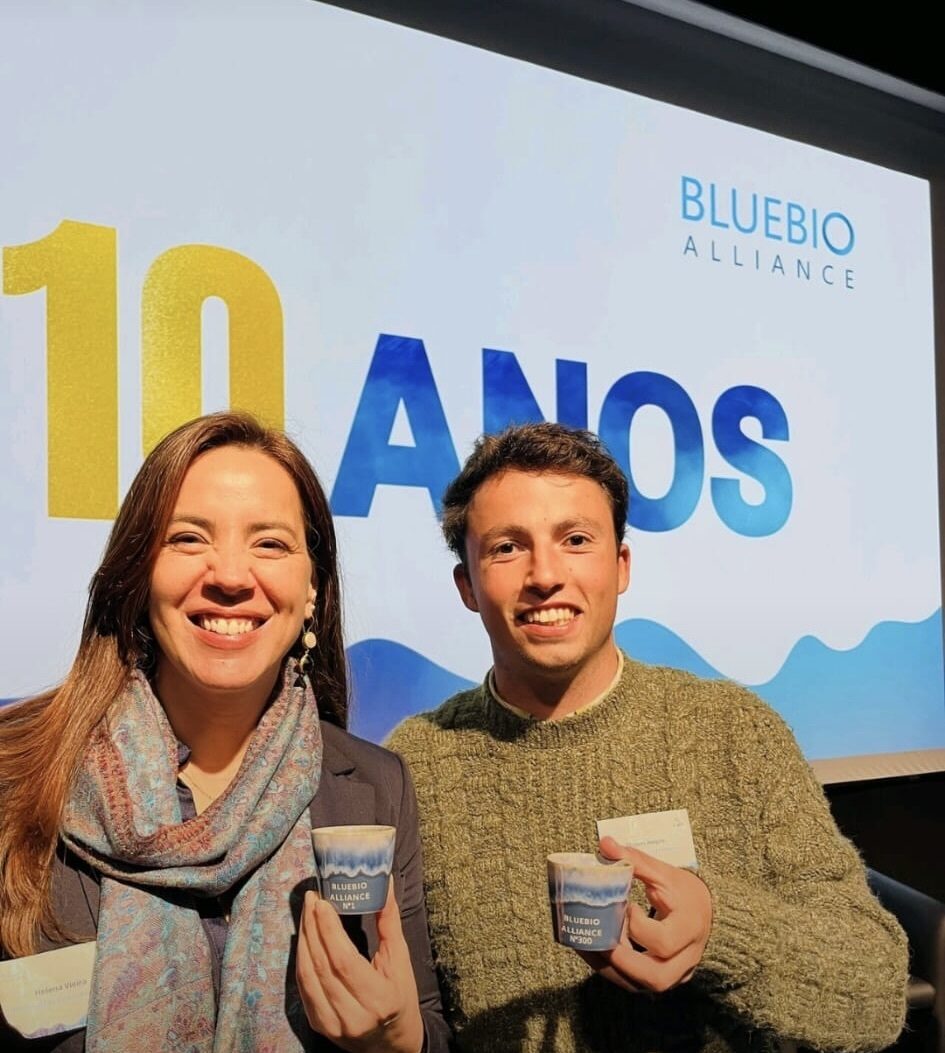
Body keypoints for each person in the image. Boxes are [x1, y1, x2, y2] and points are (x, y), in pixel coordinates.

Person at [386, 421, 909, 1053]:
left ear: (621, 565)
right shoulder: (414, 764)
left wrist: (719, 929)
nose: (545, 574)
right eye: (507, 547)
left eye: (576, 539)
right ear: (467, 586)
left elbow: (875, 996)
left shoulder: (733, 732)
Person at [0, 411, 450, 1053]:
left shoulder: (376, 788)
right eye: (188, 539)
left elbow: (428, 1023)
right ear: (138, 573)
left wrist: (399, 1037)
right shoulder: (15, 772)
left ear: (312, 589)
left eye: (270, 544)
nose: (232, 577)